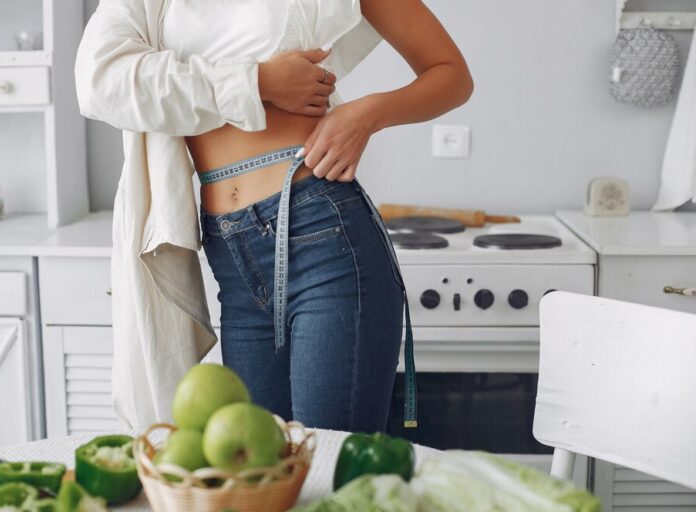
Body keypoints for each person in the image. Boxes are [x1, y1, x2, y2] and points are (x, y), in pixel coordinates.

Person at [75, 0, 473, 431]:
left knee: (328, 473)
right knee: (261, 476)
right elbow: (98, 82)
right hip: (230, 252)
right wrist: (258, 81)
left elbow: (451, 74)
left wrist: (364, 115)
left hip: (321, 233)